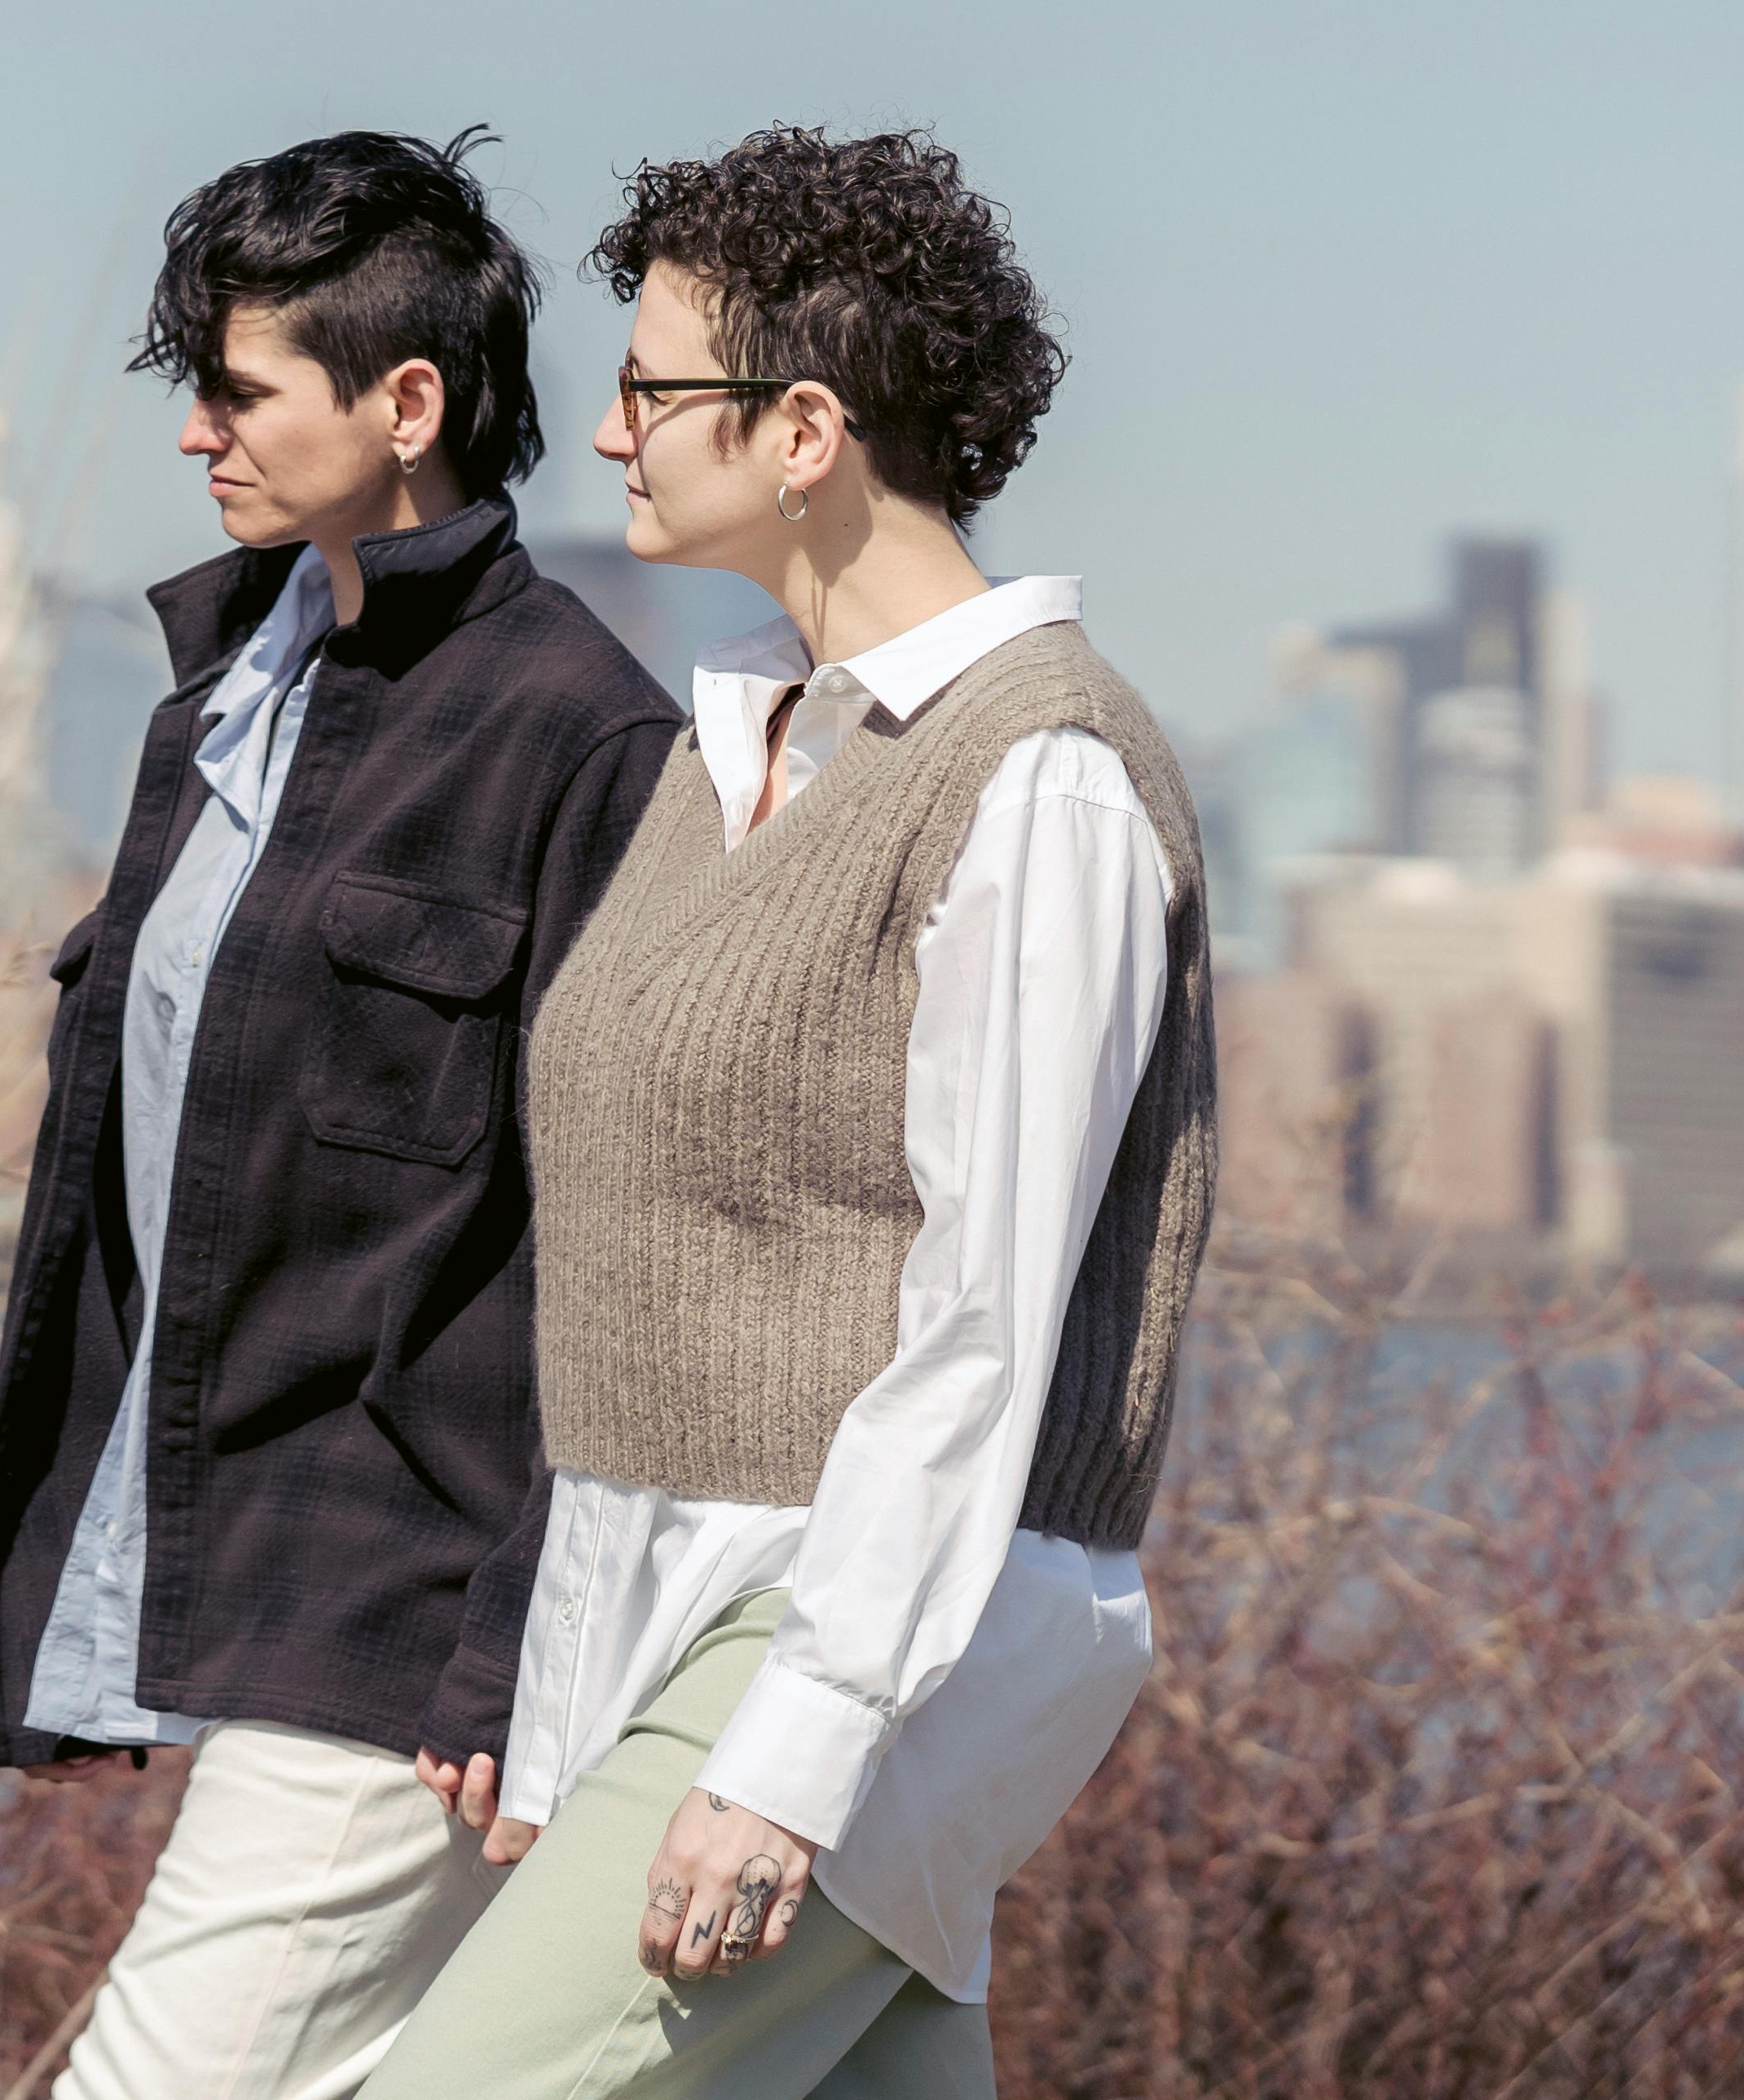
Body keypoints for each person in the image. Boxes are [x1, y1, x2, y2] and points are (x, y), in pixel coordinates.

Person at [362, 128, 1215, 2100]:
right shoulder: (724, 742)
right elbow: (653, 1249)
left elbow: (980, 1320)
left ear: (806, 424)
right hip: (700, 1621)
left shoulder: (1041, 779)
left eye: (653, 387)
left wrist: (793, 1751)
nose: (605, 429)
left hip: (867, 1638)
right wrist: (567, 1681)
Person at [0, 128, 685, 2100]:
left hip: (408, 1616)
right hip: (253, 1571)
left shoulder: (585, 741)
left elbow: (607, 1246)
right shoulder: (216, 709)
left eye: (241, 387)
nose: (196, 433)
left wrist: (510, 1639)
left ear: (408, 402)